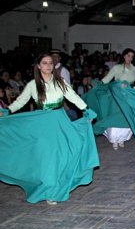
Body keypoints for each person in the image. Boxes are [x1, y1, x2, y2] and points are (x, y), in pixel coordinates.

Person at [0, 53, 99, 204]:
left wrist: (86, 109)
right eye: (45, 63)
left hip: (59, 121)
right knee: (48, 157)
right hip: (42, 123)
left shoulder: (60, 82)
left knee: (65, 152)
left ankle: (56, 187)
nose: (48, 66)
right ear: (38, 66)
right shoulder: (33, 85)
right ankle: (49, 189)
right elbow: (21, 101)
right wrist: (8, 110)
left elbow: (73, 96)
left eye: (50, 63)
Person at [86, 48, 135, 150]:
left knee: (126, 116)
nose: (130, 58)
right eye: (128, 55)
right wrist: (97, 85)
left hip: (128, 95)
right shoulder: (117, 67)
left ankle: (122, 138)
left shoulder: (134, 68)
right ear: (124, 56)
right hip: (117, 95)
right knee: (116, 116)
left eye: (132, 56)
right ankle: (114, 139)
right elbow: (107, 79)